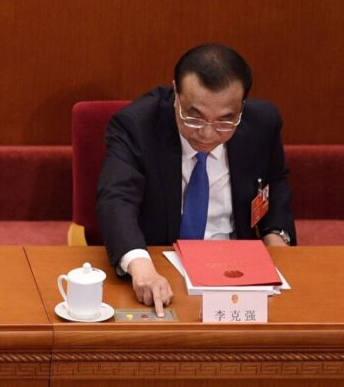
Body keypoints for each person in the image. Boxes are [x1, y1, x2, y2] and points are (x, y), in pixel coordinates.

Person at [96, 43, 296, 317]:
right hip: (162, 266)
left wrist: (277, 239)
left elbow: (275, 182)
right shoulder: (137, 125)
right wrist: (140, 267)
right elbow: (116, 197)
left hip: (237, 270)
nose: (208, 134)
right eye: (194, 117)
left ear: (241, 107)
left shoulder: (263, 123)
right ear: (176, 94)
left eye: (225, 121)